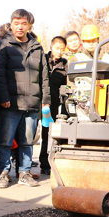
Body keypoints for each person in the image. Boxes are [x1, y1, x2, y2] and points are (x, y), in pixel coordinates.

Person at [0, 8, 50, 188]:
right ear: (11, 25)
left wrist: (45, 100)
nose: (19, 27)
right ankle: (3, 173)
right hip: (10, 103)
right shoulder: (3, 45)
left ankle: (24, 172)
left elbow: (44, 76)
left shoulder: (37, 47)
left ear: (29, 26)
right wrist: (3, 97)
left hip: (31, 103)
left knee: (27, 142)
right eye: (16, 23)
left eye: (24, 24)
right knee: (5, 141)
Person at [39, 36, 68, 175]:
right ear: (51, 47)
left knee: (48, 134)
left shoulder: (64, 65)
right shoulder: (42, 59)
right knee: (30, 133)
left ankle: (45, 163)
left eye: (62, 49)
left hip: (53, 104)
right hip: (38, 101)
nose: (59, 52)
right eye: (57, 48)